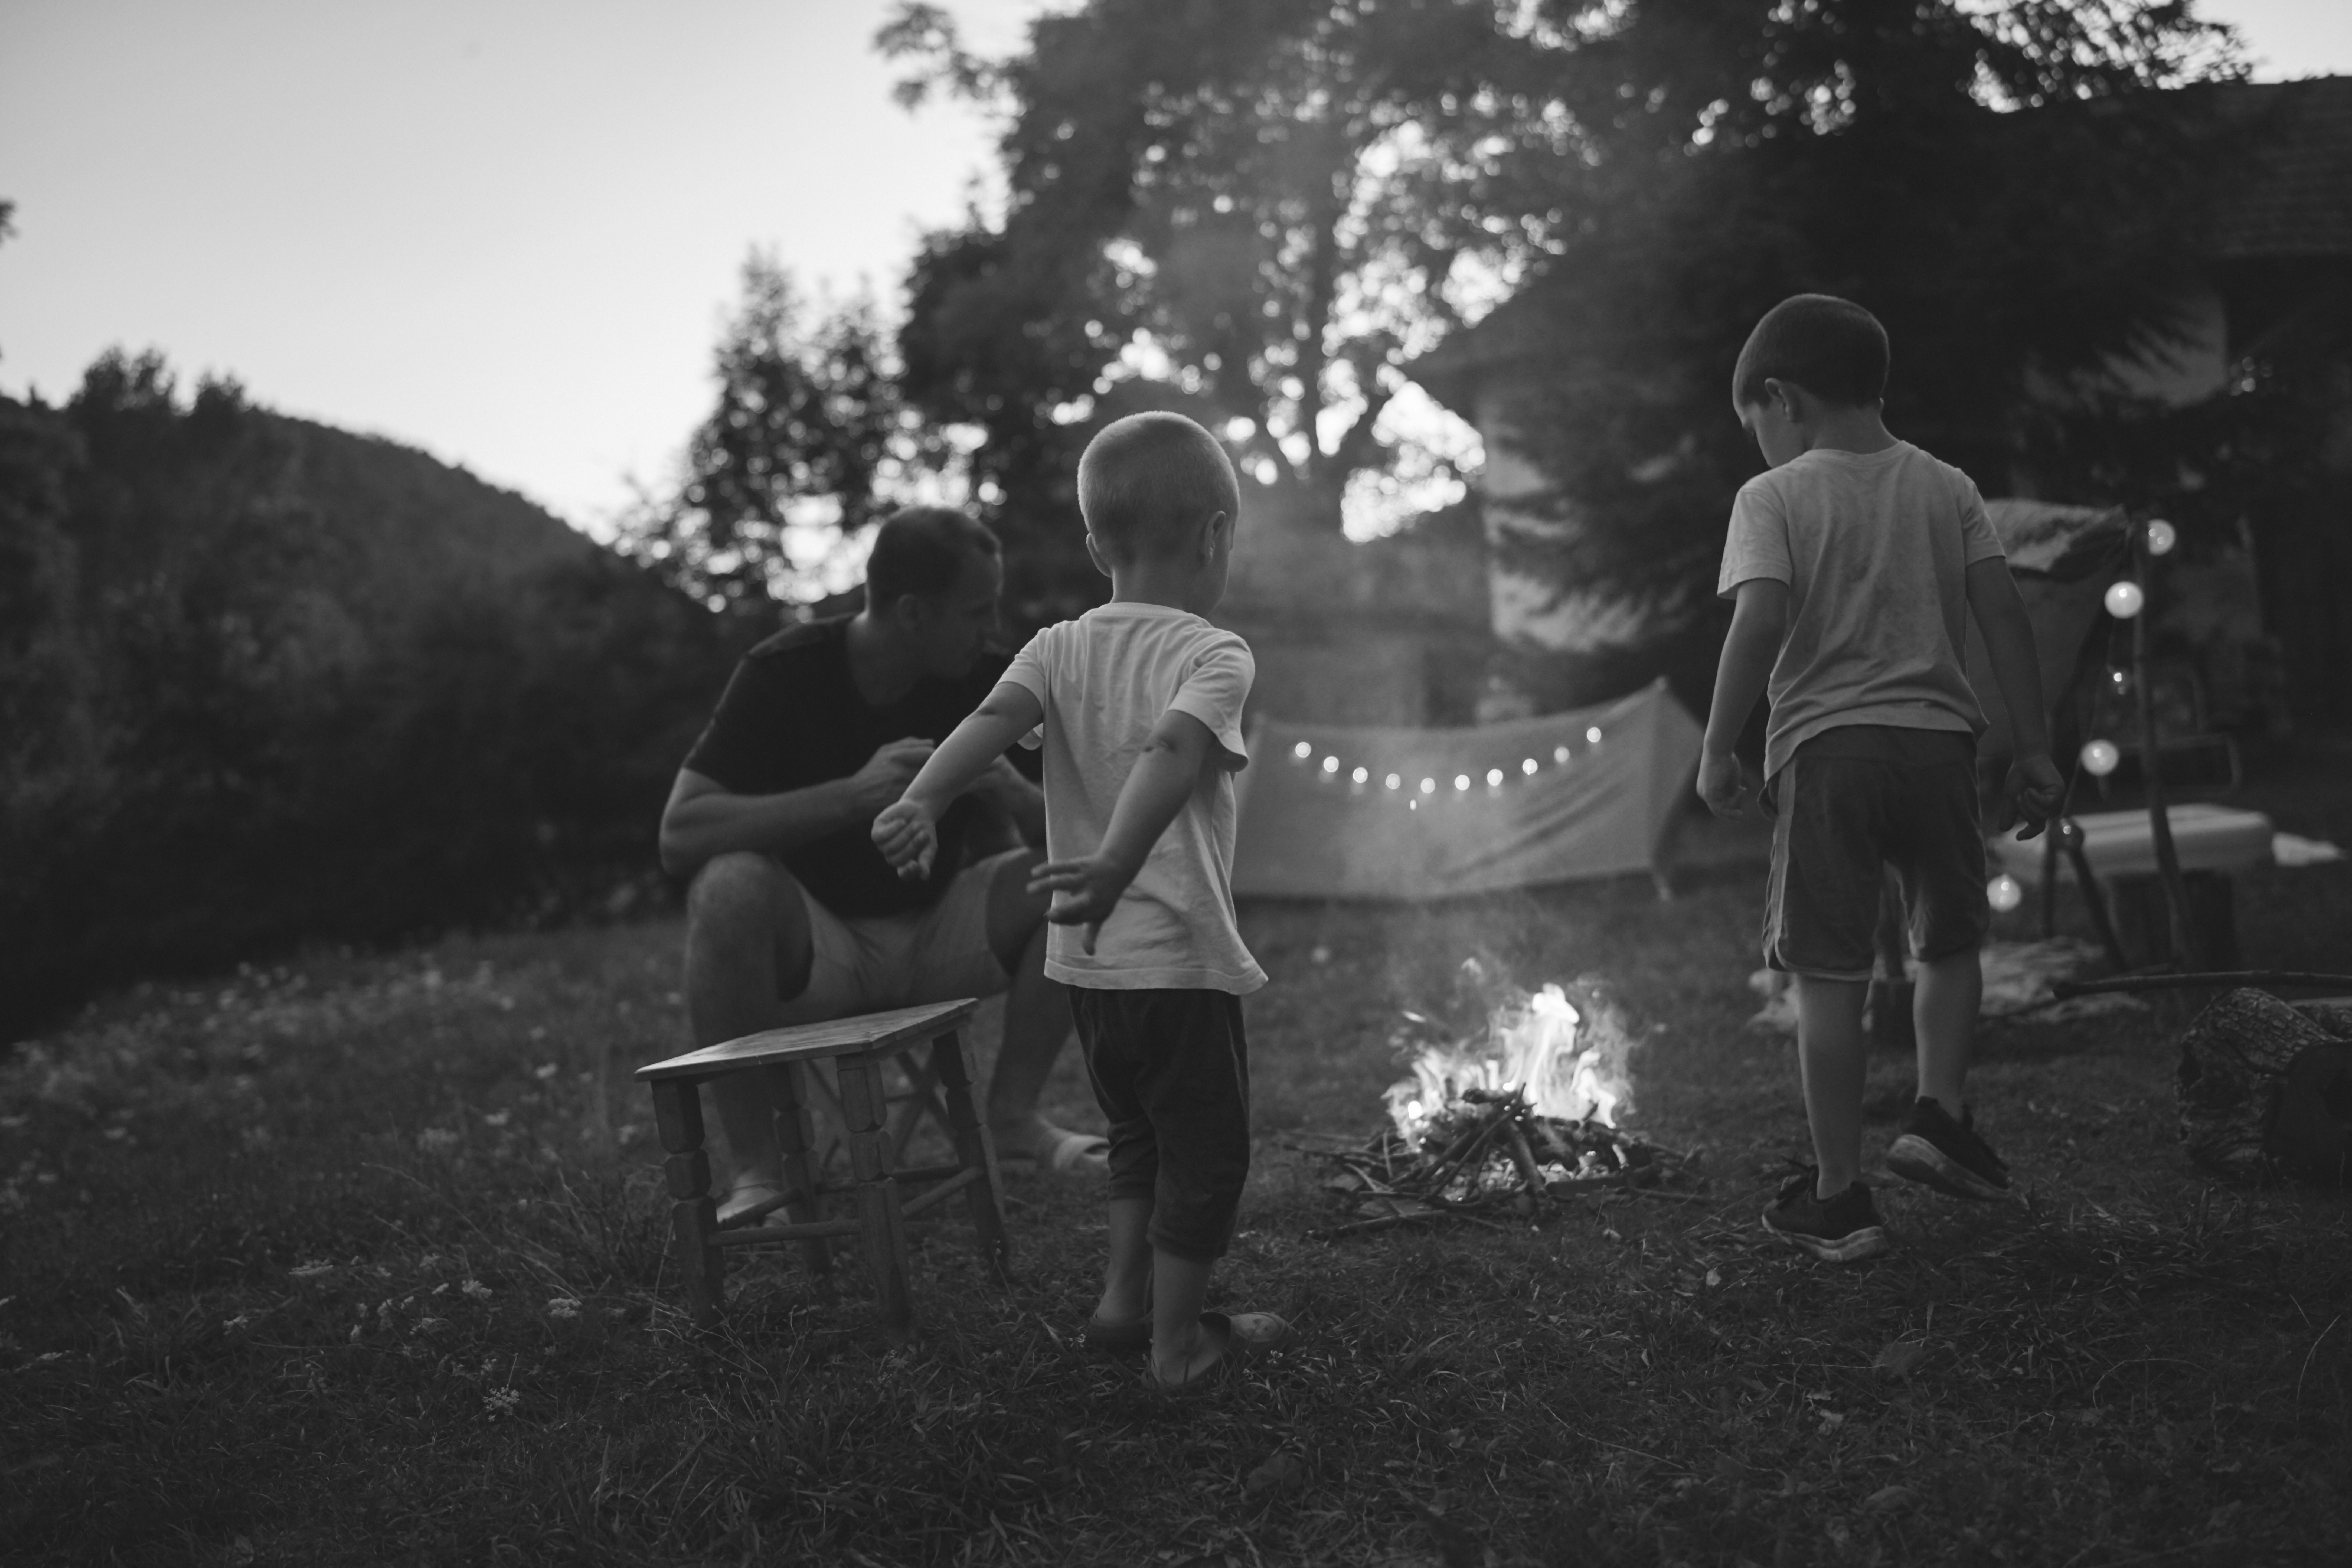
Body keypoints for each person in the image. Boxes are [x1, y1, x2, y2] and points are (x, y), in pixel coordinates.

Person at [872, 411, 1287, 1392]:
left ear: (1097, 543)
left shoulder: (1055, 648)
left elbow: (986, 723)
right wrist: (1113, 861)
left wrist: (920, 797)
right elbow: (1174, 753)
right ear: (1218, 534)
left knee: (1137, 1135)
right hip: (1177, 961)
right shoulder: (1214, 654)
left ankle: (1118, 1304)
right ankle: (1176, 1348)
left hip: (1090, 968)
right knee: (1205, 1153)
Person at [1697, 294, 2064, 1263]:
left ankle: (1840, 1196)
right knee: (1949, 939)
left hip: (1828, 755)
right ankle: (1940, 1114)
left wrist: (1718, 746)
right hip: (1939, 746)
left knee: (1829, 972)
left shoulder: (1772, 500)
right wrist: (2034, 750)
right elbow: (2005, 617)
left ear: (1781, 398)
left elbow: (1760, 622)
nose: (1757, 449)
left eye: (1753, 428)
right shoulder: (1947, 485)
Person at [657, 506, 1102, 1229]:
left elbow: (1080, 836)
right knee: (728, 887)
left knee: (1075, 878)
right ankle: (761, 1171)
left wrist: (1009, 789)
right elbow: (680, 833)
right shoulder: (784, 672)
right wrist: (855, 795)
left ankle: (1015, 1121)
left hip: (940, 931)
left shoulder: (988, 680)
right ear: (912, 613)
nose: (993, 630)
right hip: (820, 946)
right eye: (976, 612)